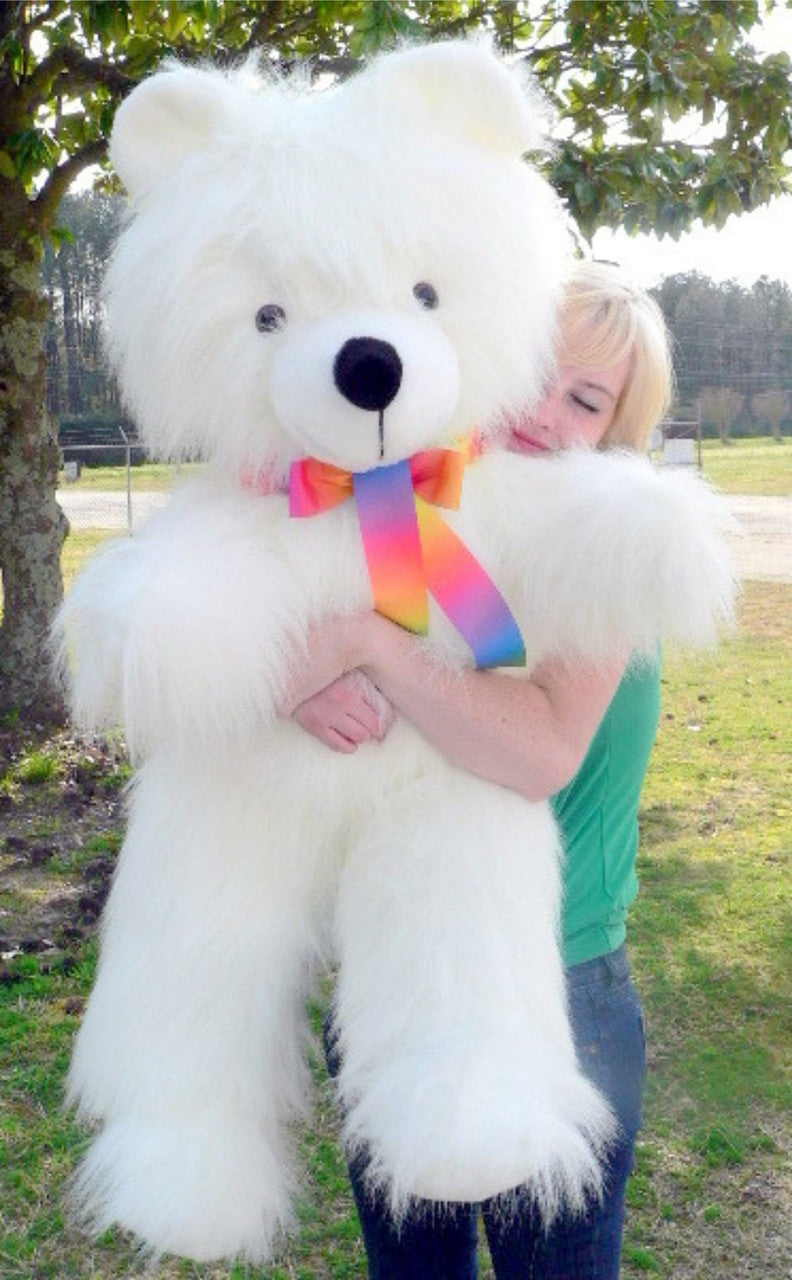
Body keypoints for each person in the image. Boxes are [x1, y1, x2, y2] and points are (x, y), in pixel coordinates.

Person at [282, 261, 674, 1279]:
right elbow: (273, 640)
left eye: (585, 399)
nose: (544, 413)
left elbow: (538, 748)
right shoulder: (407, 505)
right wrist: (297, 686)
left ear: (615, 429)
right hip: (397, 969)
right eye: (536, 371)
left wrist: (372, 644)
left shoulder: (612, 543)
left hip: (557, 983)